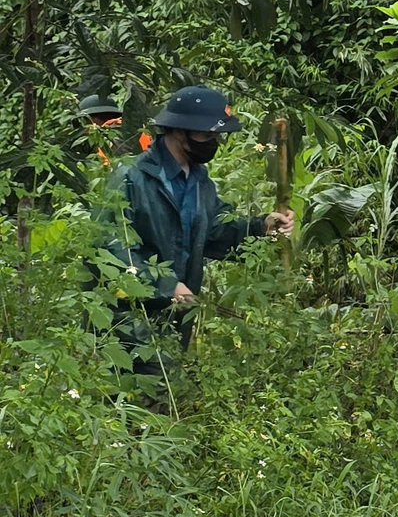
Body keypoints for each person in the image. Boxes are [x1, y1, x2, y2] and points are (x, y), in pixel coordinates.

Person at [100, 86, 293, 375]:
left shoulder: (200, 180)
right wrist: (165, 287)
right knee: (139, 397)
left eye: (216, 135)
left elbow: (215, 230)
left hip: (177, 316)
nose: (213, 141)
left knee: (168, 395)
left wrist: (261, 226)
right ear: (179, 131)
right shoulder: (130, 178)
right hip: (129, 319)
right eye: (206, 135)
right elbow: (111, 249)